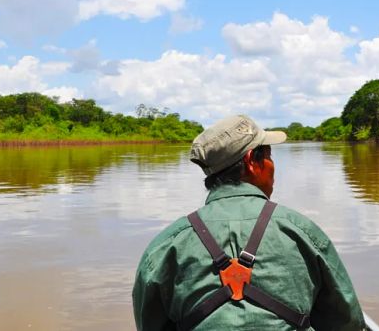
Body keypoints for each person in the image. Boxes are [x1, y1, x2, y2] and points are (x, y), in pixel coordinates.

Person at [133, 114, 367, 330]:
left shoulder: (165, 245)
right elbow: (348, 323)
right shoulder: (301, 231)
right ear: (251, 161)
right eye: (268, 156)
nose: (272, 166)